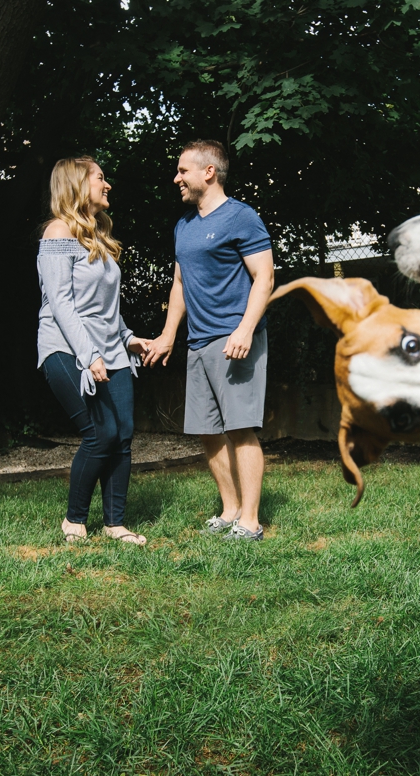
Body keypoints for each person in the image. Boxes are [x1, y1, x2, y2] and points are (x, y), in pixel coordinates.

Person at [139, 140, 274, 542]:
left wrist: (246, 329)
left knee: (241, 428)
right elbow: (180, 283)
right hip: (198, 342)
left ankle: (250, 520)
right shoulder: (184, 225)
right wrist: (168, 335)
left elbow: (264, 278)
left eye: (183, 170)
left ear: (208, 172)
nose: (176, 177)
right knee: (207, 429)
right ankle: (230, 508)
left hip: (234, 338)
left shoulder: (241, 218)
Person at [37, 156, 147, 546]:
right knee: (100, 432)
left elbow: (106, 307)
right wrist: (89, 355)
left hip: (109, 349)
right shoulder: (57, 232)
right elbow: (62, 303)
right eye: (100, 178)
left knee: (123, 434)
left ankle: (116, 524)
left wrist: (128, 337)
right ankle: (74, 520)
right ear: (77, 184)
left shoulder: (96, 235)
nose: (107, 185)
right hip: (65, 348)